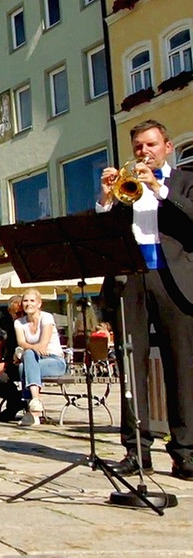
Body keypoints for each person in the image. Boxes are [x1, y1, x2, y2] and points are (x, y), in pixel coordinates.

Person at [98, 119, 193, 480]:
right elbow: (104, 237)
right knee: (130, 368)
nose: (144, 152)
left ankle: (185, 452)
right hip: (132, 278)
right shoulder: (127, 188)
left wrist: (161, 189)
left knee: (180, 365)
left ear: (167, 146)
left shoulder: (185, 181)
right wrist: (107, 200)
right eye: (138, 146)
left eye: (151, 145)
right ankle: (136, 451)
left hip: (174, 279)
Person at [13, 288, 67, 426]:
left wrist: (30, 348)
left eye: (32, 300)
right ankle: (35, 402)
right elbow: (21, 342)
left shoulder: (47, 317)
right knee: (26, 361)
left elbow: (43, 344)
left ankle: (31, 411)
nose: (28, 304)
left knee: (24, 366)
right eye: (25, 301)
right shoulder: (19, 322)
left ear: (39, 303)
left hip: (55, 361)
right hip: (36, 360)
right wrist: (32, 349)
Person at [0, 295, 26, 422]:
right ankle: (17, 400)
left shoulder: (28, 322)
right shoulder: (4, 322)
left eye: (22, 312)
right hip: (8, 361)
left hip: (24, 363)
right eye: (17, 313)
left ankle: (14, 405)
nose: (20, 315)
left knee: (3, 377)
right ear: (10, 311)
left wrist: (3, 366)